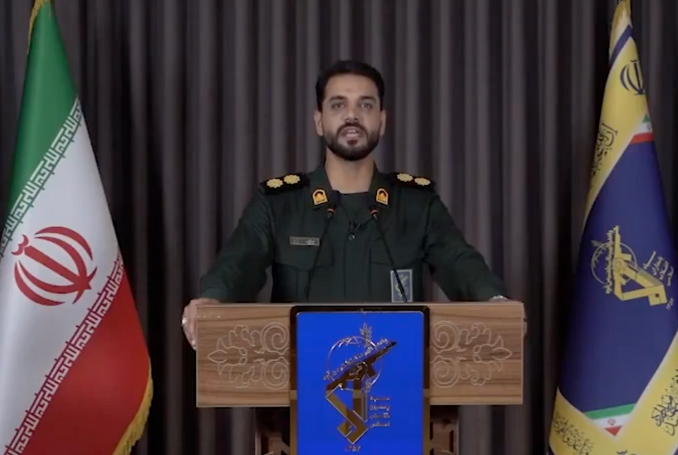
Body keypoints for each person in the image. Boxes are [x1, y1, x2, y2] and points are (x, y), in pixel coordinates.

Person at [181, 60, 512, 348]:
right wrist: (212, 299)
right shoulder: (279, 204)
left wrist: (494, 300)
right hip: (299, 388)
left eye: (365, 105)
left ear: (382, 121)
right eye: (338, 105)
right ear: (319, 121)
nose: (352, 115)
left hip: (397, 386)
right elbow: (238, 263)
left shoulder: (416, 204)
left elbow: (459, 262)